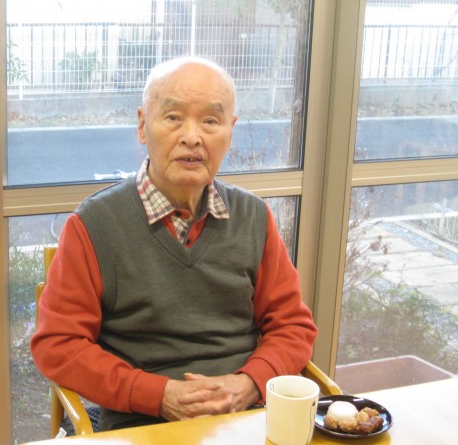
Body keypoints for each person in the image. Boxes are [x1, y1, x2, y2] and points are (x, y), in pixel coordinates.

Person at [31, 56, 317, 432]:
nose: (192, 137)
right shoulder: (94, 225)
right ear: (142, 125)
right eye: (173, 117)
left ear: (230, 132)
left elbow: (293, 325)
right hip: (141, 424)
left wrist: (249, 383)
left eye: (210, 121)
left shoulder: (254, 217)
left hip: (247, 416)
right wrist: (158, 395)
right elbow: (59, 344)